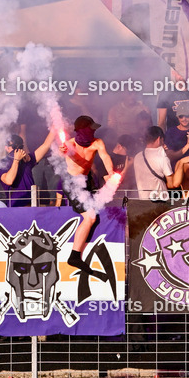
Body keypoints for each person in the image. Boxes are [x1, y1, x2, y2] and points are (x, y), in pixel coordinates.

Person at [57, 116, 116, 275]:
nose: (95, 131)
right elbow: (68, 154)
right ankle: (75, 256)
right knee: (90, 217)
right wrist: (65, 152)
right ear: (83, 131)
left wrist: (110, 173)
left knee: (99, 208)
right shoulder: (70, 144)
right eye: (91, 129)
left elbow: (105, 157)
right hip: (73, 184)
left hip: (87, 180)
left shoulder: (97, 142)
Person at [133, 126, 184, 200]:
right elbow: (171, 185)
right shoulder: (162, 157)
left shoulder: (137, 156)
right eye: (163, 140)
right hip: (160, 202)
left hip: (143, 201)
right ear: (159, 139)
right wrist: (180, 164)